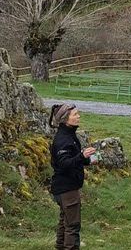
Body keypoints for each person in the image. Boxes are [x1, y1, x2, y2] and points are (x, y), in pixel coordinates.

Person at [49, 103, 97, 250]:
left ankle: (60, 247)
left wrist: (87, 160)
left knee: (65, 222)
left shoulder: (69, 135)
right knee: (72, 226)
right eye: (75, 114)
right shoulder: (63, 139)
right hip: (67, 189)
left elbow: (71, 158)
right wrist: (82, 156)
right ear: (65, 119)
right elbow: (64, 164)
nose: (78, 116)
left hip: (64, 188)